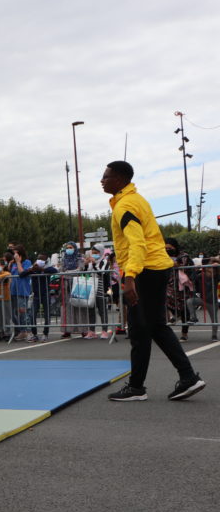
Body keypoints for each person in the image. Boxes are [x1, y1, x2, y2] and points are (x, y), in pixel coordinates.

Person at [100, 160, 205, 401]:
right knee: (155, 326)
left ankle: (138, 388)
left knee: (139, 330)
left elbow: (137, 243)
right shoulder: (137, 199)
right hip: (157, 268)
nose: (102, 181)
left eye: (106, 176)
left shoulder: (124, 205)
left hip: (145, 270)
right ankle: (186, 377)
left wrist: (130, 277)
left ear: (119, 179)